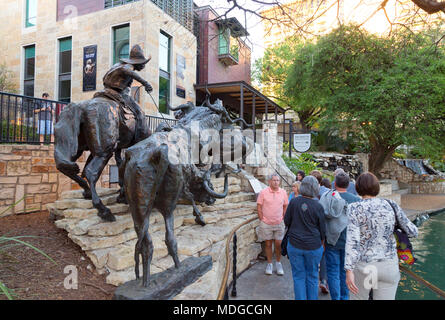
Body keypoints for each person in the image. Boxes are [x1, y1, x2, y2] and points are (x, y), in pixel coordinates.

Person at [345, 172, 418, 300]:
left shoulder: (354, 208)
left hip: (366, 267)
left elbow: (353, 241)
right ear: (377, 187)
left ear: (358, 187)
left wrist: (349, 270)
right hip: (388, 266)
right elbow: (413, 231)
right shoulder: (391, 204)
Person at [94, 44, 152, 142]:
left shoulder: (117, 65)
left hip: (105, 91)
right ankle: (140, 138)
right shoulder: (128, 67)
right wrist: (145, 83)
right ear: (138, 63)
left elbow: (104, 77)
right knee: (139, 112)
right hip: (118, 93)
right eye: (142, 63)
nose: (143, 66)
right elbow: (127, 71)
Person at [284, 175, 326, 300]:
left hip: (295, 243)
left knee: (298, 276)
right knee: (312, 276)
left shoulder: (294, 202)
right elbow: (322, 229)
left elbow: (287, 221)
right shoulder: (318, 206)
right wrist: (322, 243)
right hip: (313, 246)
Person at [321, 173, 360, 300]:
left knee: (332, 272)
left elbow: (322, 219)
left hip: (331, 240)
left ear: (335, 184)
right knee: (346, 271)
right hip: (349, 242)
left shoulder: (327, 197)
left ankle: (336, 298)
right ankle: (345, 297)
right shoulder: (355, 200)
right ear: (348, 185)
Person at [257, 173, 289, 276]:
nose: (276, 182)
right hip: (266, 223)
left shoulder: (283, 192)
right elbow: (259, 206)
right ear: (269, 181)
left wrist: (283, 218)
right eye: (274, 180)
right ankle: (269, 264)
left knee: (278, 244)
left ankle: (278, 263)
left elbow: (285, 206)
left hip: (279, 223)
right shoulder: (263, 192)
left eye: (277, 180)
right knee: (268, 244)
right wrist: (262, 218)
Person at [310, 169, 329, 293]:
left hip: (310, 230)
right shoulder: (327, 193)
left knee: (310, 255)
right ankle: (323, 280)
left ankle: (312, 281)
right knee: (323, 255)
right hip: (324, 228)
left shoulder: (306, 192)